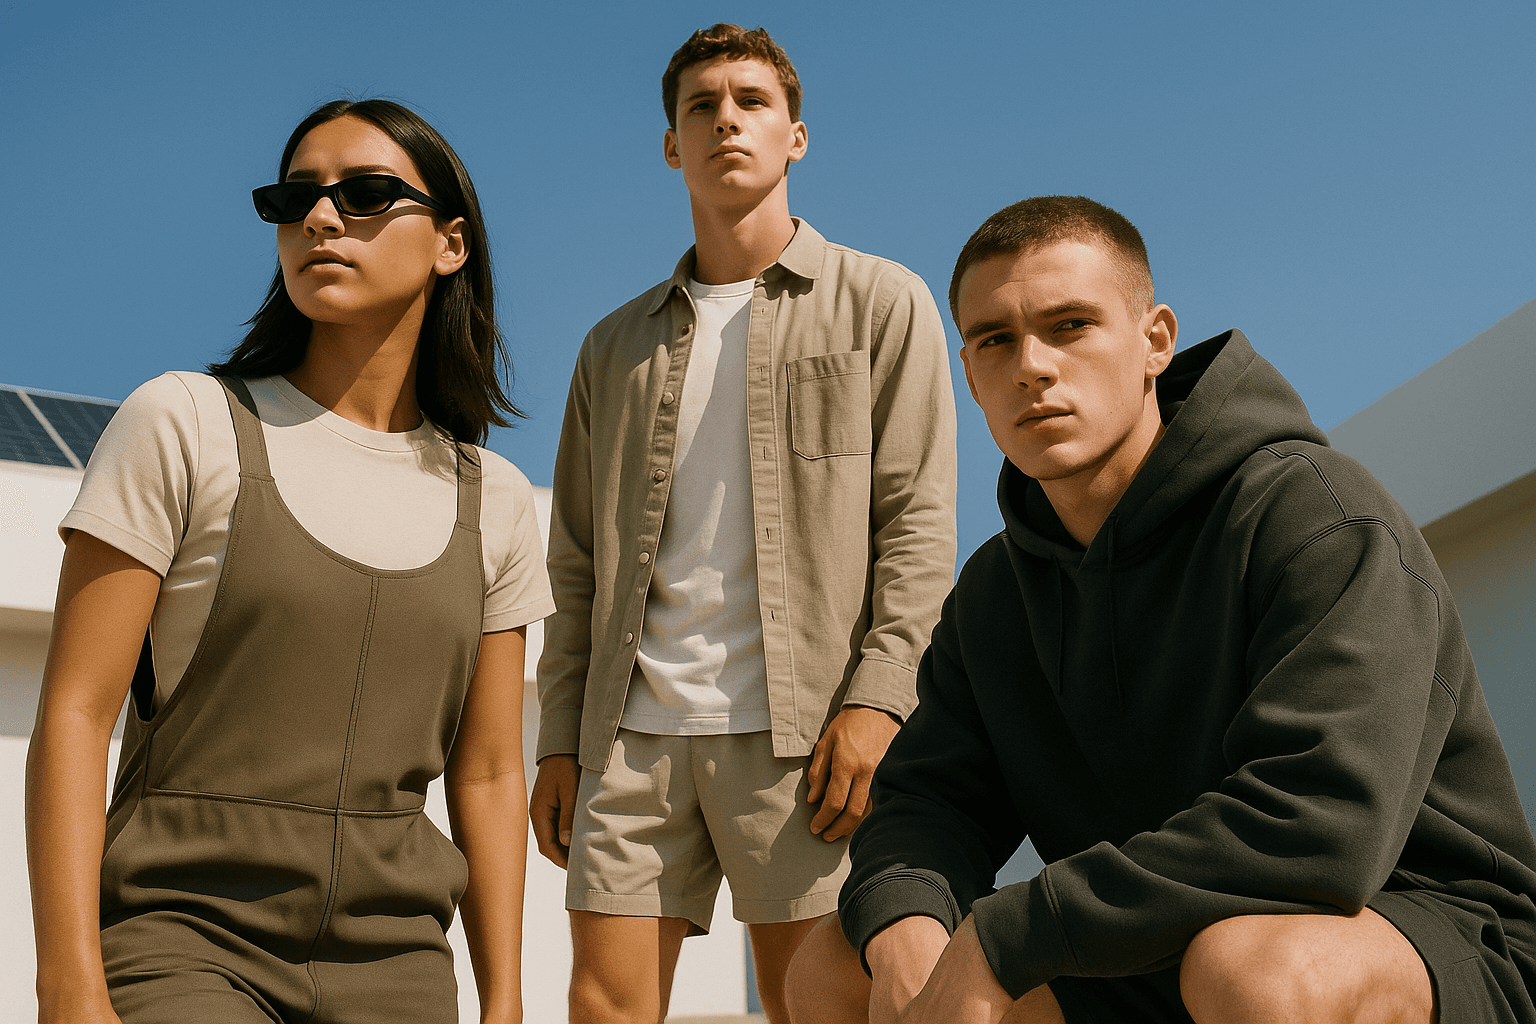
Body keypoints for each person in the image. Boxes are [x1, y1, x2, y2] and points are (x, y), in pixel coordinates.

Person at [785, 195, 1536, 1024]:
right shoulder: (994, 594)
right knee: (835, 968)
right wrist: (906, 924)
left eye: (1070, 325)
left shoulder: (1316, 516)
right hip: (1147, 939)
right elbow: (927, 804)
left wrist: (1009, 932)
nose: (1031, 366)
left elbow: (1318, 827)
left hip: (1414, 931)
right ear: (970, 374)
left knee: (1254, 972)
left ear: (1155, 341)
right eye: (995, 340)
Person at [25, 99, 554, 1024]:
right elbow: (75, 712)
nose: (319, 218)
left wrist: (503, 1002)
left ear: (451, 243)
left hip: (401, 965)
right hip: (183, 944)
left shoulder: (497, 501)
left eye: (366, 194)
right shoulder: (182, 424)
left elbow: (489, 774)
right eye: (296, 197)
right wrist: (70, 987)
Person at [529, 23, 956, 1024]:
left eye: (751, 101)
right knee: (602, 1007)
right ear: (671, 145)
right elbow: (577, 561)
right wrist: (559, 738)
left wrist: (879, 700)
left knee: (817, 1004)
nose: (727, 118)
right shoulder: (612, 347)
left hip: (804, 734)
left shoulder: (880, 302)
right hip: (631, 733)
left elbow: (919, 528)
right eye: (701, 105)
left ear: (796, 136)